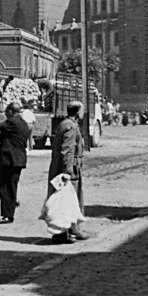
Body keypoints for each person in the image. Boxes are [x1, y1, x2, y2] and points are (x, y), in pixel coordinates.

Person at [47, 100, 89, 243]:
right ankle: (63, 232)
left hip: (67, 167)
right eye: (82, 110)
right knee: (66, 200)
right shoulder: (70, 126)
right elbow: (68, 150)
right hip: (68, 169)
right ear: (77, 112)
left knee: (70, 200)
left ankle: (72, 229)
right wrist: (67, 171)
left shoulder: (66, 124)